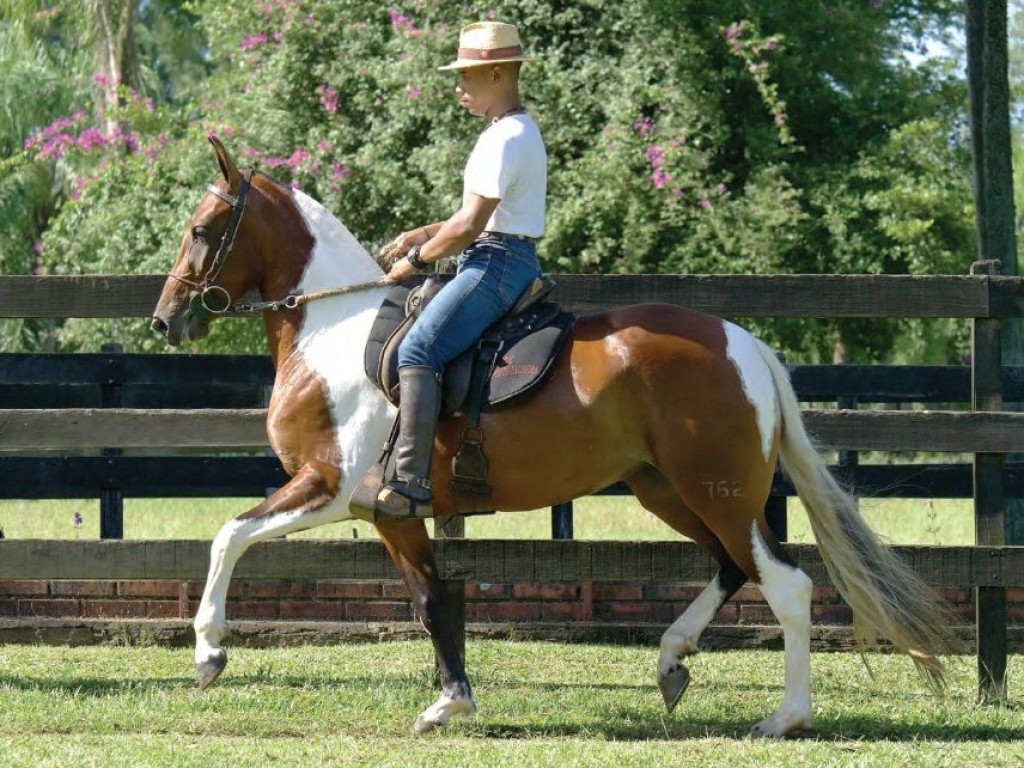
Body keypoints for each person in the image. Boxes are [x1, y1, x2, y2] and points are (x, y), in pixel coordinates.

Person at [375, 20, 547, 519]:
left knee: (418, 347)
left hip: (495, 263)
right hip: (503, 253)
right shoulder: (515, 130)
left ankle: (409, 479)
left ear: (496, 74)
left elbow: (471, 226)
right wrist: (421, 235)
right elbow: (473, 218)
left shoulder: (504, 139)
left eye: (467, 75)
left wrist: (413, 261)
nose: (459, 86)